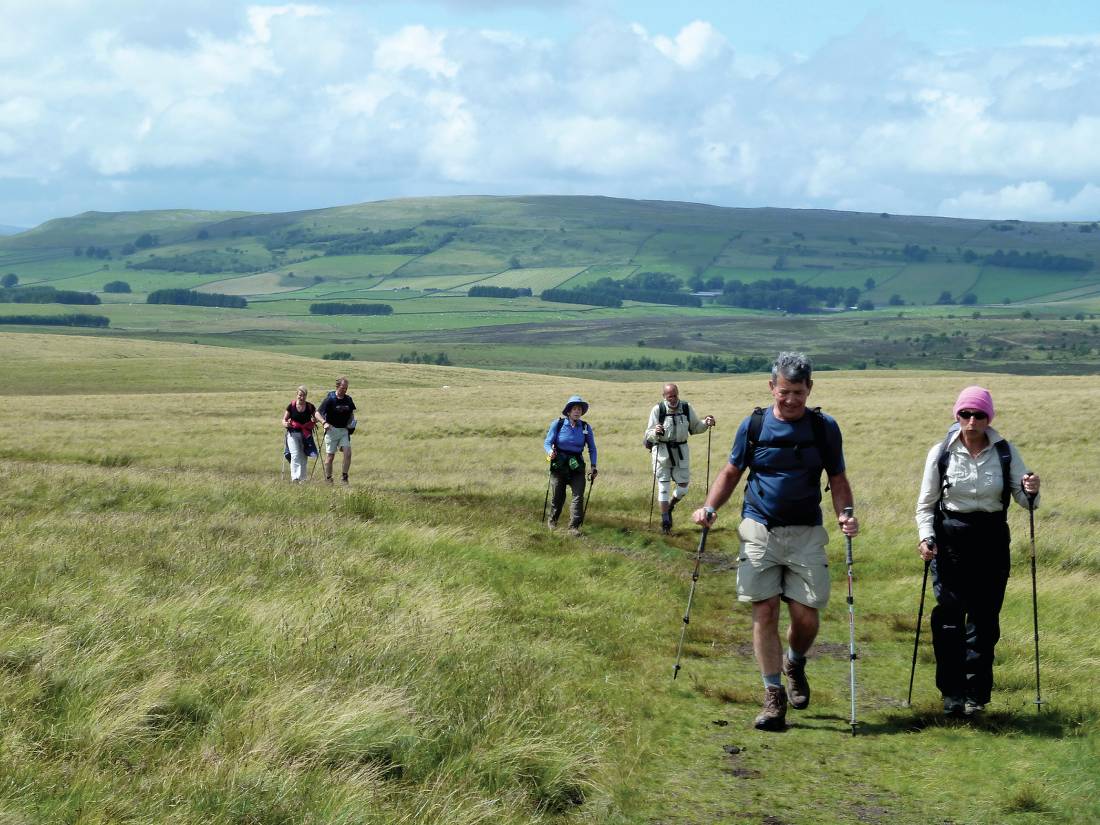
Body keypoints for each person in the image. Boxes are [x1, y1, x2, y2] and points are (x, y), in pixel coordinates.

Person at [692, 352, 858, 732]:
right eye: (784, 392)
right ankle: (772, 695)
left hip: (806, 532)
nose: (791, 400)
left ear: (809, 389)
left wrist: (845, 513)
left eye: (798, 392)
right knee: (764, 610)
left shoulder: (824, 427)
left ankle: (795, 661)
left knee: (806, 615)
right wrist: (710, 507)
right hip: (759, 527)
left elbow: (837, 476)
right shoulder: (753, 425)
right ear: (772, 387)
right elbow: (733, 471)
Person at [915, 386, 1040, 717]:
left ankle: (977, 697)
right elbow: (926, 505)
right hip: (949, 540)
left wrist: (1031, 490)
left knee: (985, 622)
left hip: (992, 541)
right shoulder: (940, 452)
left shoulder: (1005, 452)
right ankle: (952, 694)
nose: (971, 421)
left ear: (989, 417)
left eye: (979, 415)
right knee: (950, 619)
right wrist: (926, 538)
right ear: (956, 416)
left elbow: (1026, 501)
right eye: (965, 414)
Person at [645, 382, 716, 533]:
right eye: (670, 396)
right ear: (664, 396)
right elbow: (648, 434)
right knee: (663, 487)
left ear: (678, 394)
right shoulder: (658, 409)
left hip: (681, 452)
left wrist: (706, 423)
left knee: (683, 488)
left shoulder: (686, 407)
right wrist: (655, 432)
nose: (673, 399)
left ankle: (670, 506)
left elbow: (695, 427)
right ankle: (665, 522)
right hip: (662, 452)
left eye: (675, 395)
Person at [543, 395, 598, 536]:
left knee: (578, 495)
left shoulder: (585, 427)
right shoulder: (558, 424)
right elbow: (547, 443)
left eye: (579, 409)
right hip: (559, 463)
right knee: (558, 496)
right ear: (568, 411)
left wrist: (593, 466)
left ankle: (573, 527)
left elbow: (592, 448)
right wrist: (550, 452)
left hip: (576, 465)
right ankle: (552, 521)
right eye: (574, 409)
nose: (577, 411)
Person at [318, 376, 356, 485]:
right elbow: (317, 413)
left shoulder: (348, 399)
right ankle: (329, 479)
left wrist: (351, 423)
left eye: (346, 388)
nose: (345, 390)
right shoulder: (330, 399)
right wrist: (324, 423)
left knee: (348, 453)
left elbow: (351, 413)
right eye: (343, 388)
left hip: (344, 430)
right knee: (330, 457)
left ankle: (344, 478)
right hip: (331, 430)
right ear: (337, 386)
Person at [282, 385, 322, 483]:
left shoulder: (310, 406)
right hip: (293, 433)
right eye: (300, 395)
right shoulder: (291, 406)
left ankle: (303, 479)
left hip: (306, 435)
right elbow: (284, 419)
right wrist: (285, 423)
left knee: (304, 456)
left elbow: (316, 417)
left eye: (303, 395)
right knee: (295, 455)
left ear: (306, 396)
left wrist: (316, 420)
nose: (301, 397)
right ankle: (295, 478)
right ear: (297, 395)